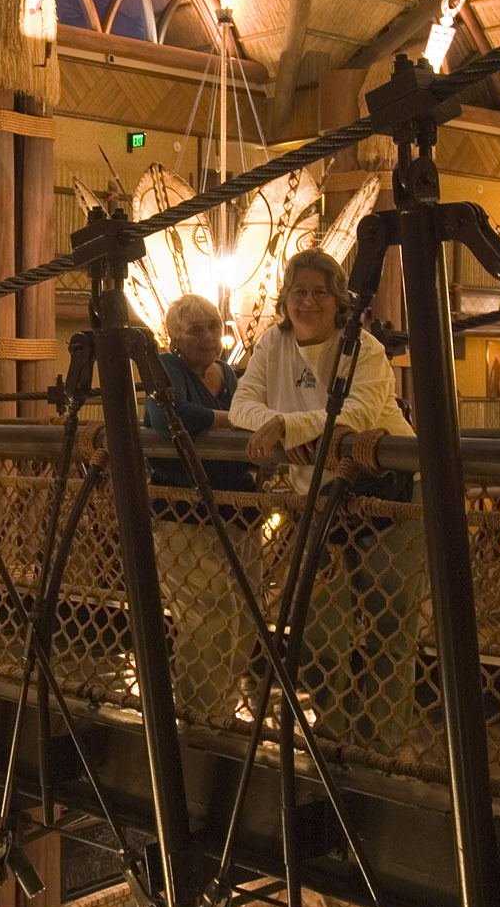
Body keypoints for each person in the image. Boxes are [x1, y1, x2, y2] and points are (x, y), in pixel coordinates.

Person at [231, 249, 424, 751]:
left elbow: (357, 415)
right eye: (299, 291)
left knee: (389, 628)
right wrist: (276, 423)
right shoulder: (273, 343)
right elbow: (240, 406)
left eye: (320, 291)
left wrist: (287, 424)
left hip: (388, 498)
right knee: (318, 633)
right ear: (286, 297)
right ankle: (338, 735)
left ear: (338, 300)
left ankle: (378, 745)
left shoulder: (365, 348)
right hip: (319, 503)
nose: (308, 301)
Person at [144, 294, 260, 725]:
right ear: (175, 335)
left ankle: (222, 710)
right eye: (196, 329)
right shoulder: (165, 368)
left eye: (213, 326)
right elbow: (165, 416)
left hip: (238, 508)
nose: (208, 337)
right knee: (208, 612)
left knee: (246, 614)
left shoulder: (226, 373)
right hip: (184, 510)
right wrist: (233, 418)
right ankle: (200, 717)